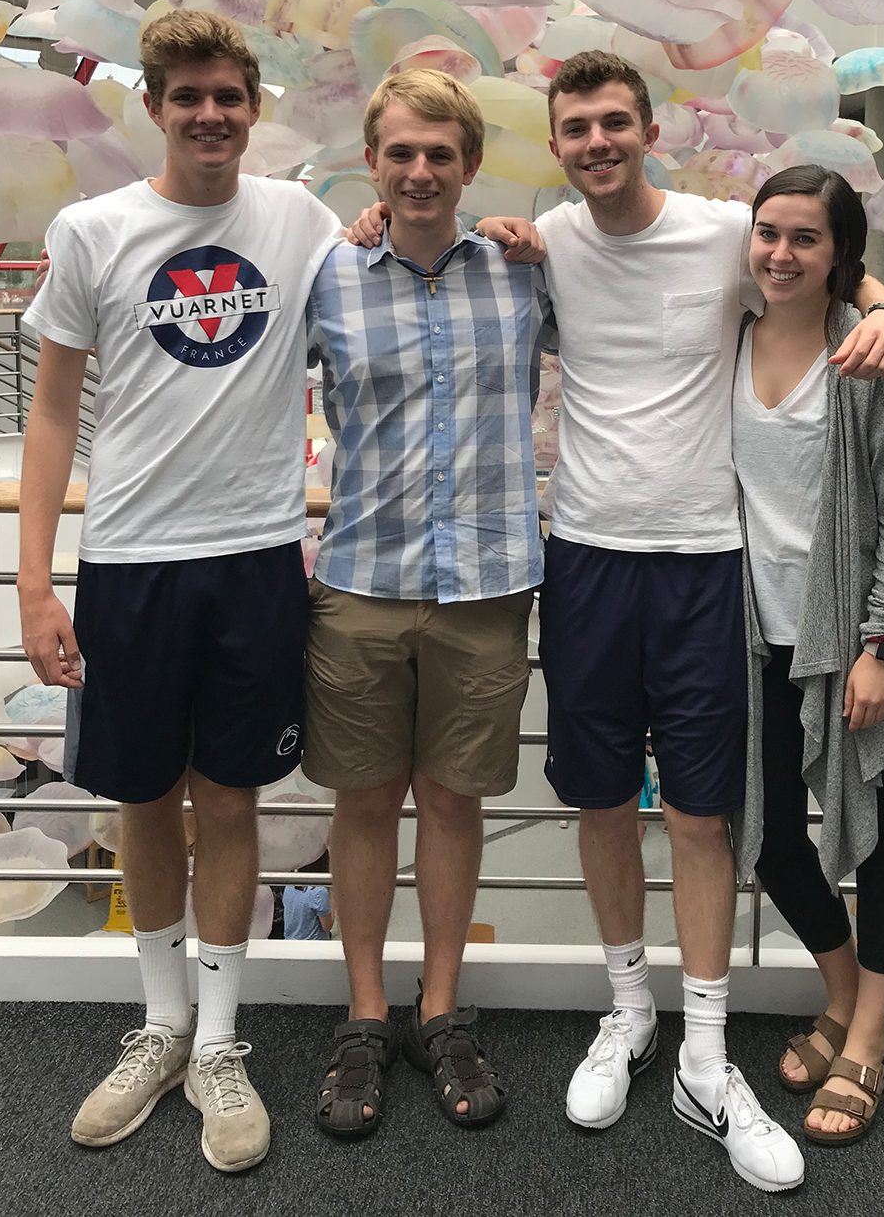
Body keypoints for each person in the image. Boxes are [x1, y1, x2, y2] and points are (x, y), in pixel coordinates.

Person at [351, 49, 884, 1191]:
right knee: (600, 805)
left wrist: (883, 297)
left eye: (614, 122)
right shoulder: (543, 243)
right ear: (554, 144)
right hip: (587, 560)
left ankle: (706, 1050)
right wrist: (373, 213)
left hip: (709, 568)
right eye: (576, 129)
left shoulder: (720, 232)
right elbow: (429, 244)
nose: (596, 142)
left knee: (704, 818)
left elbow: (814, 257)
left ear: (647, 128)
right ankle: (629, 1014)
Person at [15, 8, 338, 1174]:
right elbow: (52, 413)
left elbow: (409, 253)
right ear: (151, 106)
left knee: (234, 801)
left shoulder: (299, 221)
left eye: (228, 96)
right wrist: (35, 582)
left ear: (254, 107)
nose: (209, 115)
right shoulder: (93, 228)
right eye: (186, 96)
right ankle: (155, 1026)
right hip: (129, 565)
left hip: (254, 560)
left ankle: (217, 1041)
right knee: (142, 800)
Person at [300, 69, 540, 1140]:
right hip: (359, 577)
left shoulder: (528, 274)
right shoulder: (328, 277)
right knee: (360, 801)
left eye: (440, 153)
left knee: (451, 801)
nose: (419, 171)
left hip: (487, 584)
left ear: (470, 164)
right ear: (372, 164)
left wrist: (874, 297)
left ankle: (438, 1008)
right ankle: (363, 1013)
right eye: (400, 153)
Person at [734, 164, 884, 1153]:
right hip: (759, 633)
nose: (781, 252)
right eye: (768, 232)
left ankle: (863, 1034)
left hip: (865, 633)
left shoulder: (867, 358)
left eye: (805, 238)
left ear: (839, 254)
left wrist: (881, 647)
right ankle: (840, 988)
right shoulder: (727, 329)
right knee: (771, 835)